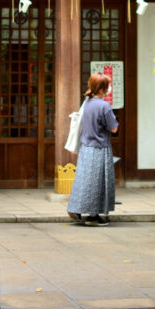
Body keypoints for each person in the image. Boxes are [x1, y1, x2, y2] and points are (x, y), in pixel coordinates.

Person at [67, 72, 118, 226]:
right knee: (98, 183)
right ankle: (93, 217)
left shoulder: (87, 102)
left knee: (83, 180)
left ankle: (75, 207)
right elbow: (114, 128)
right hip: (99, 148)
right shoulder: (104, 106)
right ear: (102, 89)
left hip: (85, 148)